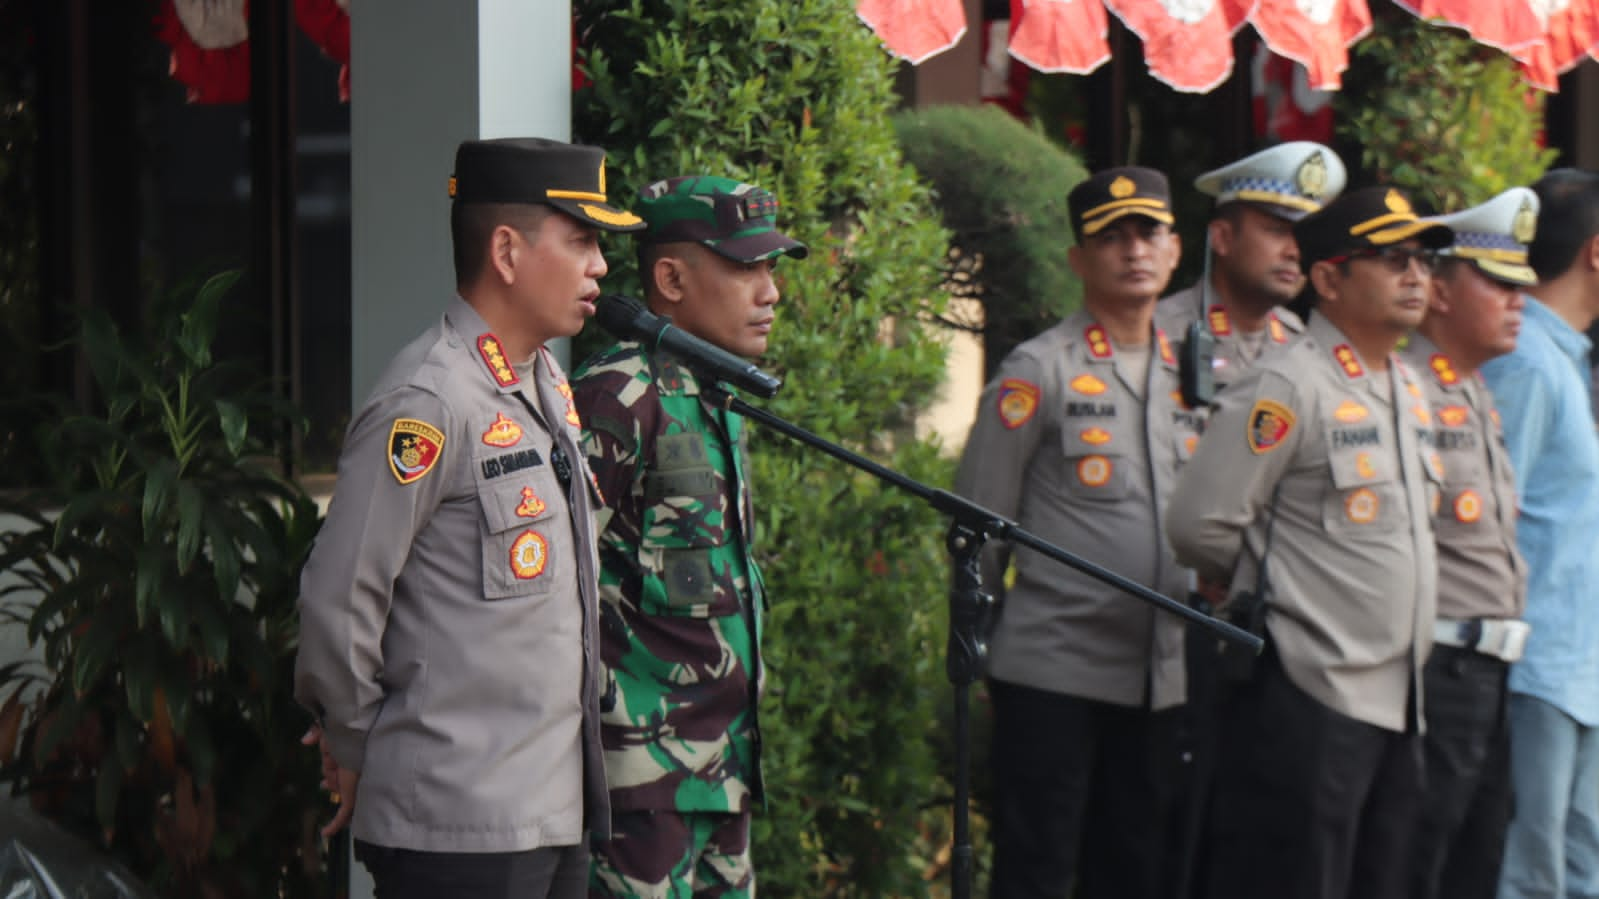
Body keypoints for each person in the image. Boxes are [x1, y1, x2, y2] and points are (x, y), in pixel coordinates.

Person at [293, 137, 644, 899]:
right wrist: (356, 745)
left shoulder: (544, 380)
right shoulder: (429, 400)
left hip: (550, 816)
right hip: (457, 827)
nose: (601, 266)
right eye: (581, 240)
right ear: (507, 251)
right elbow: (339, 591)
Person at [1165, 186, 1452, 899]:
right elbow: (1198, 521)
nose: (1415, 275)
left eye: (1419, 259)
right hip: (1310, 689)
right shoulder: (1287, 382)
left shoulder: (1410, 385)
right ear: (1327, 278)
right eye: (1389, 259)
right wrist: (1265, 581)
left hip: (1400, 696)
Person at [955, 167, 1198, 899]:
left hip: (1165, 675)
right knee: (1040, 867)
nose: (1133, 250)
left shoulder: (1200, 368)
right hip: (1053, 670)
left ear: (1174, 248)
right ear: (1077, 259)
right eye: (1110, 236)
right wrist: (975, 648)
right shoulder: (1038, 370)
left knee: (1134, 867)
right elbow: (978, 529)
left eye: (1147, 232)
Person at [571, 175, 807, 899]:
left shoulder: (714, 395)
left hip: (720, 770)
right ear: (669, 277)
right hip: (637, 785)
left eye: (771, 269)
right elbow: (554, 588)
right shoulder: (617, 397)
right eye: (745, 267)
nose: (768, 291)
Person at [1154, 141, 1347, 898]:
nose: (1295, 248)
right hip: (1139, 634)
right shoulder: (1155, 331)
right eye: (1274, 225)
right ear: (1224, 234)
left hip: (1248, 647)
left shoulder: (1305, 355)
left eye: (1303, 230)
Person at [1394, 187, 1536, 899]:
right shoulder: (1408, 387)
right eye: (1499, 282)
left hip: (1487, 667)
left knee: (1475, 859)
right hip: (1437, 663)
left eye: (1520, 284)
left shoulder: (1472, 388)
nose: (1518, 299)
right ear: (1439, 291)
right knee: (1422, 858)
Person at [1479, 169, 1599, 899]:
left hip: (1577, 666)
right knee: (1528, 878)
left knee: (1579, 875)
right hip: (1533, 670)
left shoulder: (1566, 360)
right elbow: (1484, 517)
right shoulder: (1522, 361)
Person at [1157, 141, 1348, 389]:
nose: (1294, 252)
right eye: (1278, 231)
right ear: (1222, 238)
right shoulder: (1161, 333)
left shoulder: (1300, 338)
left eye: (1302, 236)